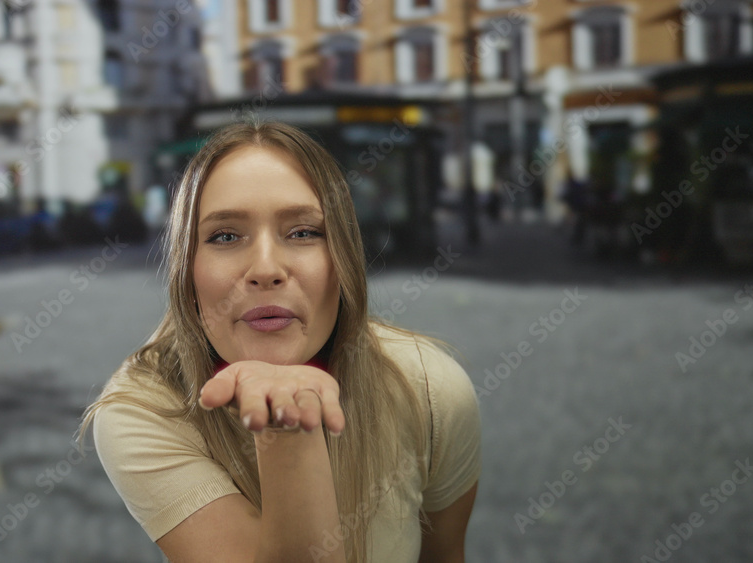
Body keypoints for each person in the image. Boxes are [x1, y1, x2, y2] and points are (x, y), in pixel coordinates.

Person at [78, 121, 481, 563]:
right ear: (186, 272)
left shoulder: (428, 386)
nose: (266, 268)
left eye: (303, 232)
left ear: (343, 257)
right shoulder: (142, 410)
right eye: (225, 236)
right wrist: (289, 427)